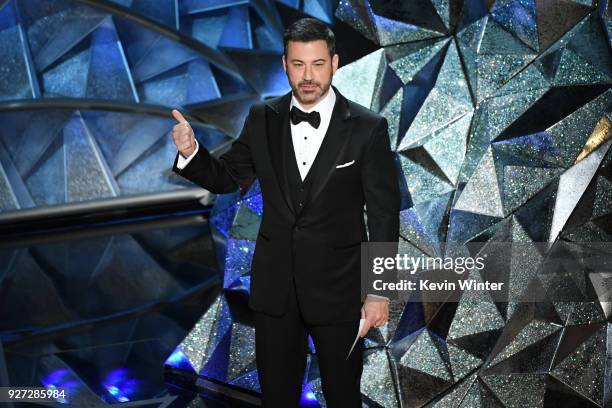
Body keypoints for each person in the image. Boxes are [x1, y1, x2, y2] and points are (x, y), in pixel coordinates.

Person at [171, 17, 400, 408]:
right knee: (277, 398)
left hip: (338, 292)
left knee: (343, 396)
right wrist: (192, 152)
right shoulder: (263, 117)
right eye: (298, 64)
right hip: (276, 291)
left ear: (335, 62)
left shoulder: (367, 127)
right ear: (285, 65)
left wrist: (378, 291)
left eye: (317, 64)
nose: (307, 76)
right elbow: (228, 178)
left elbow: (383, 214)